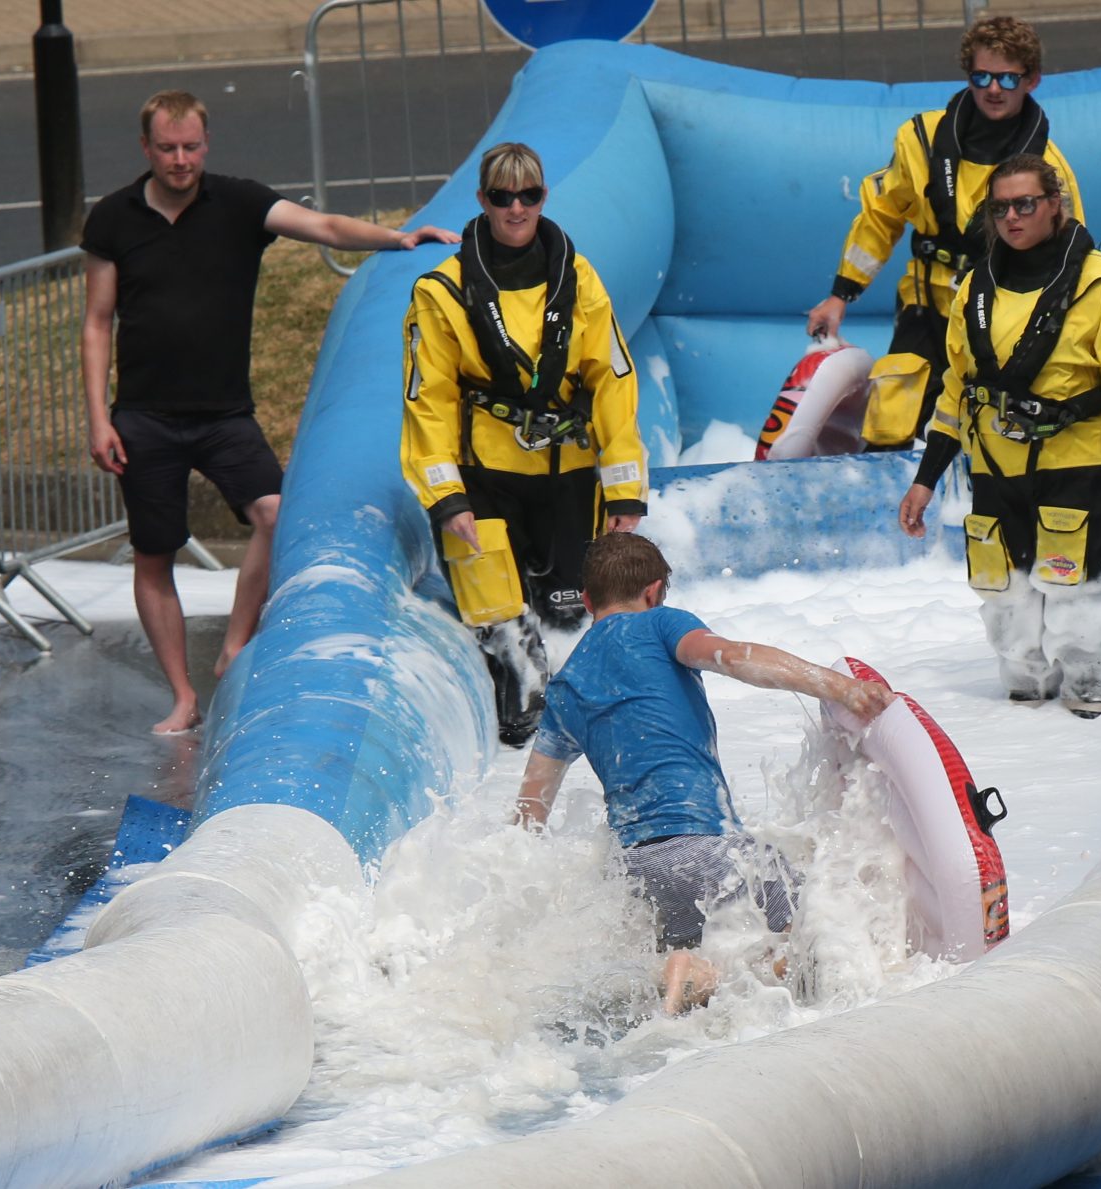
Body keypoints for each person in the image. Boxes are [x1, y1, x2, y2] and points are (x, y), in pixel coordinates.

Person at [80, 89, 459, 736]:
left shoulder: (240, 202)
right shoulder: (112, 219)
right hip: (142, 416)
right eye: (167, 148)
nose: (180, 160)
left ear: (207, 143)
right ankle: (182, 695)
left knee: (275, 513)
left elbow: (326, 227)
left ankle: (235, 643)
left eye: (191, 146)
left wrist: (397, 238)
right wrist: (98, 418)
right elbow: (96, 322)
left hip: (224, 413)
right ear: (146, 148)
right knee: (154, 555)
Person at [514, 532, 894, 1014]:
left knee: (703, 980)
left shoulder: (565, 689)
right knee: (824, 937)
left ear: (588, 600)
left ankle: (683, 968)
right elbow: (733, 657)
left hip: (635, 875)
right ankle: (713, 970)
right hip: (708, 851)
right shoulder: (659, 625)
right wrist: (837, 686)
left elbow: (529, 815)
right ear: (653, 593)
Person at [897, 154, 1101, 718]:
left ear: (1056, 205)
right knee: (1005, 595)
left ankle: (1091, 695)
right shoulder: (973, 289)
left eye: (1026, 203)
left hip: (1075, 466)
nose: (1012, 217)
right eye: (999, 207)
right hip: (995, 469)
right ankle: (1025, 692)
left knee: (1079, 597)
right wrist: (925, 480)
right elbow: (957, 390)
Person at [401, 142, 648, 747]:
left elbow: (613, 380)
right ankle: (517, 704)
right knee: (505, 631)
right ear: (483, 200)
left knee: (570, 612)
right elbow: (425, 399)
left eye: (529, 195)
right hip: (482, 473)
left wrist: (625, 491)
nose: (516, 208)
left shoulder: (580, 278)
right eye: (503, 196)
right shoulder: (441, 291)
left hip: (567, 472)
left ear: (543, 198)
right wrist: (446, 497)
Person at [806, 15, 1084, 451]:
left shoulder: (1048, 169)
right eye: (983, 76)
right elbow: (881, 218)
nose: (994, 89)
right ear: (968, 76)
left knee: (991, 428)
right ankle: (885, 505)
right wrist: (842, 294)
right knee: (892, 410)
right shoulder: (919, 140)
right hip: (926, 300)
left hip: (1000, 311)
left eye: (1009, 78)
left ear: (1032, 81)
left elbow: (1069, 259)